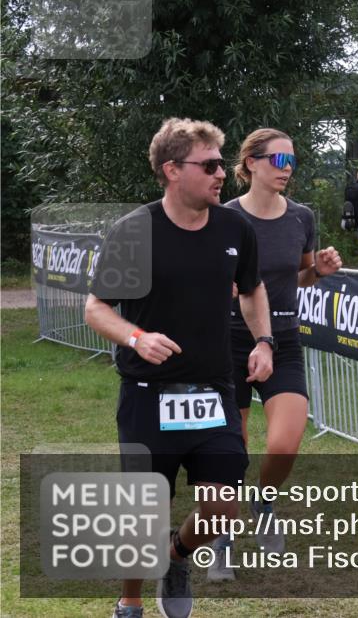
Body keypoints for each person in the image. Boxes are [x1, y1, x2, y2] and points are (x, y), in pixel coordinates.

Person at [85, 118, 274, 618]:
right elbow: (96, 308)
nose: (221, 174)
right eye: (209, 165)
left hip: (213, 390)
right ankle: (129, 601)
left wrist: (264, 342)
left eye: (220, 163)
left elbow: (253, 289)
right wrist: (136, 337)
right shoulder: (135, 232)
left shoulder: (236, 228)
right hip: (149, 393)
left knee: (222, 509)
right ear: (172, 170)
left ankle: (175, 557)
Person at [216, 128, 342, 571]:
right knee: (231, 449)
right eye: (278, 161)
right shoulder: (224, 217)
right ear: (251, 162)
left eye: (292, 162)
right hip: (228, 339)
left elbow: (300, 276)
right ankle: (221, 531)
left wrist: (320, 271)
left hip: (285, 338)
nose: (287, 171)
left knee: (285, 444)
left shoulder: (301, 218)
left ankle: (263, 504)